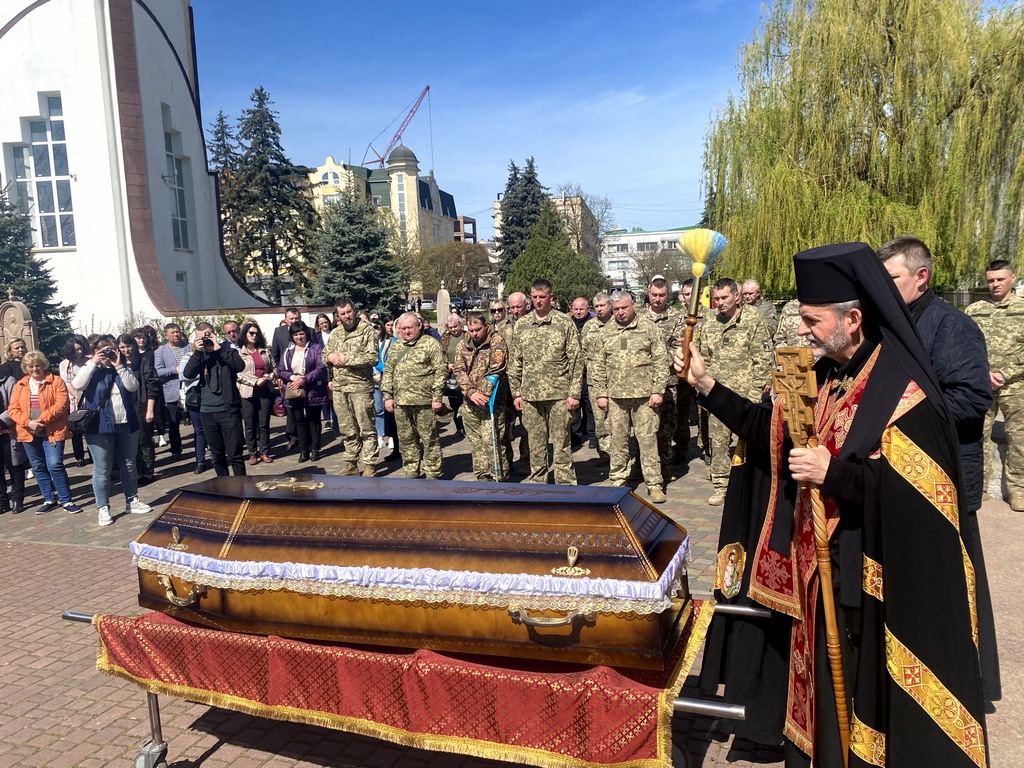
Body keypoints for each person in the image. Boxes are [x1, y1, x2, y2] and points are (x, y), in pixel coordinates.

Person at [678, 242, 986, 767]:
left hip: (875, 591)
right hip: (818, 583)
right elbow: (769, 433)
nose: (802, 331)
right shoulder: (822, 377)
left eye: (811, 320)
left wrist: (833, 473)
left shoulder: (904, 393)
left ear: (854, 319)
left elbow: (922, 503)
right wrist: (705, 385)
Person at [880, 234, 1001, 705]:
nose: (883, 288)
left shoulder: (951, 326)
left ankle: (965, 682)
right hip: (904, 475)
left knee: (956, 585)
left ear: (921, 277)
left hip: (947, 474)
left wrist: (901, 415)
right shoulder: (894, 321)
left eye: (891, 278)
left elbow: (972, 398)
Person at [697, 278, 773, 505]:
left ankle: (749, 485)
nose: (719, 303)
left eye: (724, 298)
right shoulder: (709, 322)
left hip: (745, 394)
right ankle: (721, 486)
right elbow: (704, 357)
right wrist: (705, 389)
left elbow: (763, 357)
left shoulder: (753, 319)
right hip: (717, 394)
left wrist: (756, 392)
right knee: (718, 442)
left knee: (749, 442)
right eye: (716, 298)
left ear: (736, 297)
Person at [590, 290, 669, 502]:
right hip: (615, 398)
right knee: (618, 441)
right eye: (616, 309)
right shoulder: (606, 332)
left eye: (624, 308)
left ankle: (654, 484)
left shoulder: (648, 327)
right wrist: (601, 393)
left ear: (633, 305)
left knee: (647, 440)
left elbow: (661, 360)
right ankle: (618, 480)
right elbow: (597, 365)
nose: (620, 313)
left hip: (645, 397)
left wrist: (658, 390)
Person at [508, 279, 583, 485]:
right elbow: (515, 362)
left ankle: (565, 485)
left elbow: (576, 360)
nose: (538, 301)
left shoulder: (563, 322)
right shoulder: (522, 325)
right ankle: (538, 482)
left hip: (559, 394)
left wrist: (574, 394)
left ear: (551, 298)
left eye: (542, 297)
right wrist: (516, 393)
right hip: (530, 396)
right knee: (536, 443)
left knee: (561, 443)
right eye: (534, 297)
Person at [965, 259, 1024, 510]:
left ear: (1012, 278)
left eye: (1000, 279)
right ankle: (979, 488)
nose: (995, 284)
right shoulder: (974, 310)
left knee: (1019, 440)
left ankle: (1018, 490)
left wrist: (1005, 373)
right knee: (977, 437)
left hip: (1017, 387)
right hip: (982, 385)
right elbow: (965, 347)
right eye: (991, 280)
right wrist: (984, 374)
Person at [74, 337, 151, 526]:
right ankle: (103, 507)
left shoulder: (123, 369)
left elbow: (133, 386)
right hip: (99, 426)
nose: (109, 354)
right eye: (104, 351)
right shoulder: (91, 370)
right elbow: (77, 385)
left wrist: (119, 365)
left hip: (126, 423)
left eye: (112, 350)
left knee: (129, 463)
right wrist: (93, 362)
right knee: (102, 468)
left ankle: (131, 500)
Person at [7, 350, 81, 514]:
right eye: (31, 367)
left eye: (38, 366)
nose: (34, 369)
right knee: (38, 466)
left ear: (44, 366)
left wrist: (42, 420)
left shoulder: (56, 381)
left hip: (51, 430)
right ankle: (49, 498)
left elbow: (62, 404)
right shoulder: (20, 385)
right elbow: (13, 408)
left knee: (55, 464)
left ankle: (66, 500)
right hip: (28, 431)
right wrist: (28, 422)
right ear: (26, 368)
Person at [382, 312, 446, 479]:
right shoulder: (396, 346)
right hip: (401, 403)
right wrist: (387, 396)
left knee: (429, 439)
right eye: (403, 328)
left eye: (410, 327)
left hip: (424, 402)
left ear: (419, 326)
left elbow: (441, 370)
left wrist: (437, 398)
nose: (406, 332)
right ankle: (412, 473)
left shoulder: (430, 344)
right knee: (406, 440)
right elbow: (388, 371)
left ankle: (433, 474)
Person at [323, 298, 379, 476]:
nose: (347, 316)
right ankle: (351, 464)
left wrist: (346, 358)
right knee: (347, 429)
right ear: (337, 316)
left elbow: (372, 358)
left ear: (354, 310)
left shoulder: (367, 330)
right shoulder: (336, 333)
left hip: (360, 387)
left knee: (366, 428)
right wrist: (331, 356)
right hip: (340, 388)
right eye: (342, 314)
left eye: (349, 311)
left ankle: (369, 465)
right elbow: (324, 355)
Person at [183, 322, 246, 477]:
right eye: (199, 338)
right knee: (217, 456)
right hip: (207, 411)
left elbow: (240, 366)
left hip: (228, 410)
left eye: (207, 336)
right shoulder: (200, 356)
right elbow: (188, 373)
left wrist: (219, 349)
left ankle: (243, 489)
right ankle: (224, 490)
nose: (204, 340)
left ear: (214, 334)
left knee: (235, 454)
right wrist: (198, 353)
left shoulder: (227, 350)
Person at [453, 312, 509, 481]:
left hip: (492, 401)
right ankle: (482, 476)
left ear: (486, 326)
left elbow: (496, 369)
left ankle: (499, 476)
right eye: (471, 330)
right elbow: (459, 370)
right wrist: (470, 392)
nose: (475, 333)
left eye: (478, 329)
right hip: (470, 402)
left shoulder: (497, 342)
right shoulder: (463, 344)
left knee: (491, 441)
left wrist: (482, 393)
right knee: (476, 443)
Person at [645, 277, 685, 482]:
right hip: (640, 382)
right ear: (648, 293)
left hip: (667, 381)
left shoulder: (676, 317)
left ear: (667, 295)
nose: (658, 299)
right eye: (654, 295)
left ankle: (665, 467)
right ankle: (643, 466)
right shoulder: (639, 316)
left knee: (665, 427)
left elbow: (678, 348)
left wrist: (653, 361)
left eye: (662, 295)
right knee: (642, 428)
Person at [279, 321, 328, 462]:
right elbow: (281, 370)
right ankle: (303, 449)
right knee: (299, 420)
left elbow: (320, 367)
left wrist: (305, 379)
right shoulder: (288, 351)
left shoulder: (316, 348)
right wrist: (293, 377)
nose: (299, 337)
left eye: (301, 333)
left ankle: (315, 448)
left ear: (306, 333)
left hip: (313, 389)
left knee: (314, 420)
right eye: (296, 334)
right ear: (292, 336)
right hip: (295, 390)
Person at [118, 334, 158, 485]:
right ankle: (138, 471)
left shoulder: (143, 361)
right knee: (131, 443)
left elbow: (152, 386)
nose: (126, 350)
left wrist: (150, 409)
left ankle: (148, 471)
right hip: (125, 406)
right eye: (122, 347)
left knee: (144, 440)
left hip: (141, 404)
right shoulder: (118, 364)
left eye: (128, 346)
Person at [581, 291, 614, 465]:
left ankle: (618, 454)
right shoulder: (589, 326)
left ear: (610, 305)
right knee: (600, 420)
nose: (600, 309)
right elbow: (583, 351)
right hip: (595, 381)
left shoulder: (618, 324)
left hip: (616, 380)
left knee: (616, 420)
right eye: (597, 306)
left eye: (603, 305)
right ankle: (605, 454)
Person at [237, 321, 277, 464]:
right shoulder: (239, 352)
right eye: (251, 333)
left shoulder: (264, 351)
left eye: (256, 333)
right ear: (245, 334)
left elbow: (274, 369)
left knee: (263, 423)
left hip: (264, 390)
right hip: (248, 392)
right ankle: (252, 453)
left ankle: (264, 451)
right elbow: (237, 374)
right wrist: (254, 381)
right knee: (250, 424)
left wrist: (267, 377)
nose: (254, 336)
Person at [272, 307, 309, 451]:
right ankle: (292, 437)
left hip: (305, 376)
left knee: (304, 408)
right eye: (291, 318)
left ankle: (306, 439)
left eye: (296, 318)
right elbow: (275, 354)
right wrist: (278, 375)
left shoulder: (307, 330)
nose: (293, 321)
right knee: (291, 409)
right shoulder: (279, 332)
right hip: (286, 376)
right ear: (285, 319)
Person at [153, 323, 189, 457]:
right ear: (166, 335)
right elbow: (158, 371)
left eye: (178, 332)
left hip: (191, 388)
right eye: (172, 332)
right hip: (173, 390)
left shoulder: (189, 347)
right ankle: (176, 449)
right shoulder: (160, 352)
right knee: (174, 422)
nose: (176, 335)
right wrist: (175, 369)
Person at [59, 334, 91, 467]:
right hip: (74, 399)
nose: (79, 352)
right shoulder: (65, 364)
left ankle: (92, 453)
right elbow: (66, 382)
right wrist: (76, 395)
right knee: (76, 428)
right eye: (76, 349)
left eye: (81, 348)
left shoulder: (88, 361)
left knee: (90, 427)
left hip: (89, 396)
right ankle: (79, 456)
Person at [568, 297, 595, 451]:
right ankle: (576, 437)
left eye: (581, 309)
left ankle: (592, 436)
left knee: (590, 405)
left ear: (587, 309)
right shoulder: (568, 323)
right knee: (574, 407)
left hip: (589, 371)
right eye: (575, 309)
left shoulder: (593, 324)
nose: (578, 312)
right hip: (573, 373)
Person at [371, 318, 399, 459]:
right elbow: (376, 360)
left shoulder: (392, 342)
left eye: (376, 327)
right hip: (381, 382)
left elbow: (386, 363)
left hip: (394, 383)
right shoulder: (376, 343)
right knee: (382, 411)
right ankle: (391, 442)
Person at [440, 315, 466, 433]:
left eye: (455, 326)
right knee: (454, 403)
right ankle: (458, 427)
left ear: (460, 325)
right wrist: (448, 364)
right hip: (452, 377)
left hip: (466, 375)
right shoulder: (445, 338)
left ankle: (467, 426)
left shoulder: (467, 336)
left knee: (465, 402)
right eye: (451, 327)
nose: (454, 329)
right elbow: (440, 355)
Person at [314, 313, 336, 430]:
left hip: (334, 365)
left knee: (334, 393)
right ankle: (327, 419)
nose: (324, 324)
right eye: (321, 323)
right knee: (325, 393)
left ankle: (335, 418)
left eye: (325, 322)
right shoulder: (316, 336)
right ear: (318, 325)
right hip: (322, 367)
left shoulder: (335, 333)